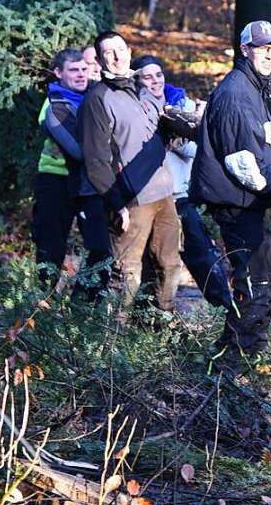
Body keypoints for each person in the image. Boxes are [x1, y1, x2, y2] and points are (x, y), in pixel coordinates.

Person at [189, 20, 271, 373]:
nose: (269, 54)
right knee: (255, 282)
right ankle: (230, 365)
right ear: (245, 50)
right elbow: (242, 162)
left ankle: (250, 355)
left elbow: (262, 146)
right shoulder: (236, 95)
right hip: (237, 202)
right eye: (262, 47)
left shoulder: (252, 88)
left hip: (246, 202)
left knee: (264, 276)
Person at [78, 31, 182, 315]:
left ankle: (159, 330)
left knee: (169, 266)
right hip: (130, 198)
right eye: (109, 52)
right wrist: (116, 203)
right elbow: (96, 160)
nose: (117, 56)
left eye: (121, 49)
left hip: (164, 193)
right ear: (99, 60)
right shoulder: (97, 100)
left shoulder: (144, 90)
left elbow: (164, 138)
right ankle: (114, 344)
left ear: (129, 50)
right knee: (126, 276)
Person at [134, 55, 233, 310]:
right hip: (144, 197)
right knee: (150, 263)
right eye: (147, 76)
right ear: (137, 79)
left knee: (200, 253)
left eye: (159, 75)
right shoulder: (133, 107)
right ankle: (150, 318)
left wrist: (174, 136)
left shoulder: (182, 104)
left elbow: (198, 150)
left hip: (178, 195)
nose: (155, 81)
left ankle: (225, 308)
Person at [31, 49, 89, 289]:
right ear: (58, 73)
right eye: (74, 70)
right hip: (55, 180)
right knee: (51, 246)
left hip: (87, 182)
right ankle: (41, 307)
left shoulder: (93, 95)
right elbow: (76, 149)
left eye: (84, 69)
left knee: (100, 247)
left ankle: (85, 309)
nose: (81, 75)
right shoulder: (53, 103)